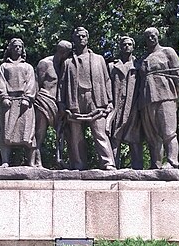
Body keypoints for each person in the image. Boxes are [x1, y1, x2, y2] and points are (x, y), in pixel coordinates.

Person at [59, 26, 116, 170]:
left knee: (99, 132)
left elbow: (107, 80)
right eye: (78, 36)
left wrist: (109, 101)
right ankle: (79, 164)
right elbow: (62, 84)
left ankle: (108, 163)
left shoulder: (99, 59)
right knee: (76, 136)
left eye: (83, 36)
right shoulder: (68, 62)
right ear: (74, 39)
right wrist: (61, 103)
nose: (81, 38)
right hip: (75, 100)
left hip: (95, 99)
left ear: (87, 38)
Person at [138, 27, 179, 169]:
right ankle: (156, 164)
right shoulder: (143, 58)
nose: (150, 39)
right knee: (152, 135)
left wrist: (177, 94)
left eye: (153, 36)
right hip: (146, 99)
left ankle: (172, 161)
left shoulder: (167, 51)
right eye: (147, 37)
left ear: (158, 36)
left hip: (166, 96)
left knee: (169, 132)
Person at [0, 37, 36, 167]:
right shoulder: (4, 66)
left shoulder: (27, 67)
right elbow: (1, 82)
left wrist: (28, 98)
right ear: (10, 49)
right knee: (6, 133)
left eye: (20, 46)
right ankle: (5, 161)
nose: (17, 48)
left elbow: (31, 82)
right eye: (15, 46)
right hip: (9, 103)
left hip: (25, 104)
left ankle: (31, 162)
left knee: (28, 133)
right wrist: (4, 97)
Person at [34, 40, 72, 167]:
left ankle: (60, 160)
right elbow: (37, 84)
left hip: (59, 104)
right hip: (44, 100)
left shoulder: (65, 65)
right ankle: (36, 161)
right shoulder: (45, 63)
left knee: (63, 132)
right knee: (40, 132)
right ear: (61, 51)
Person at [109, 35, 143, 169]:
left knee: (135, 138)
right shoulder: (112, 66)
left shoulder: (138, 66)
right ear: (120, 47)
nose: (127, 47)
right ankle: (112, 167)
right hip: (117, 106)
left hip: (133, 106)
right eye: (124, 44)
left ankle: (138, 168)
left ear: (133, 47)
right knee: (115, 137)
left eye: (129, 44)